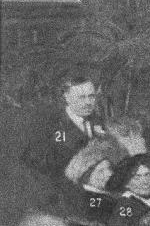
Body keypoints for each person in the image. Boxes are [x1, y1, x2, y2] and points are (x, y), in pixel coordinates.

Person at [19, 76, 105, 206]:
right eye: (82, 97)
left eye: (91, 96)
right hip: (62, 201)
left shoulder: (99, 122)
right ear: (67, 97)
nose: (88, 102)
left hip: (96, 198)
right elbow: (35, 167)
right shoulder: (50, 126)